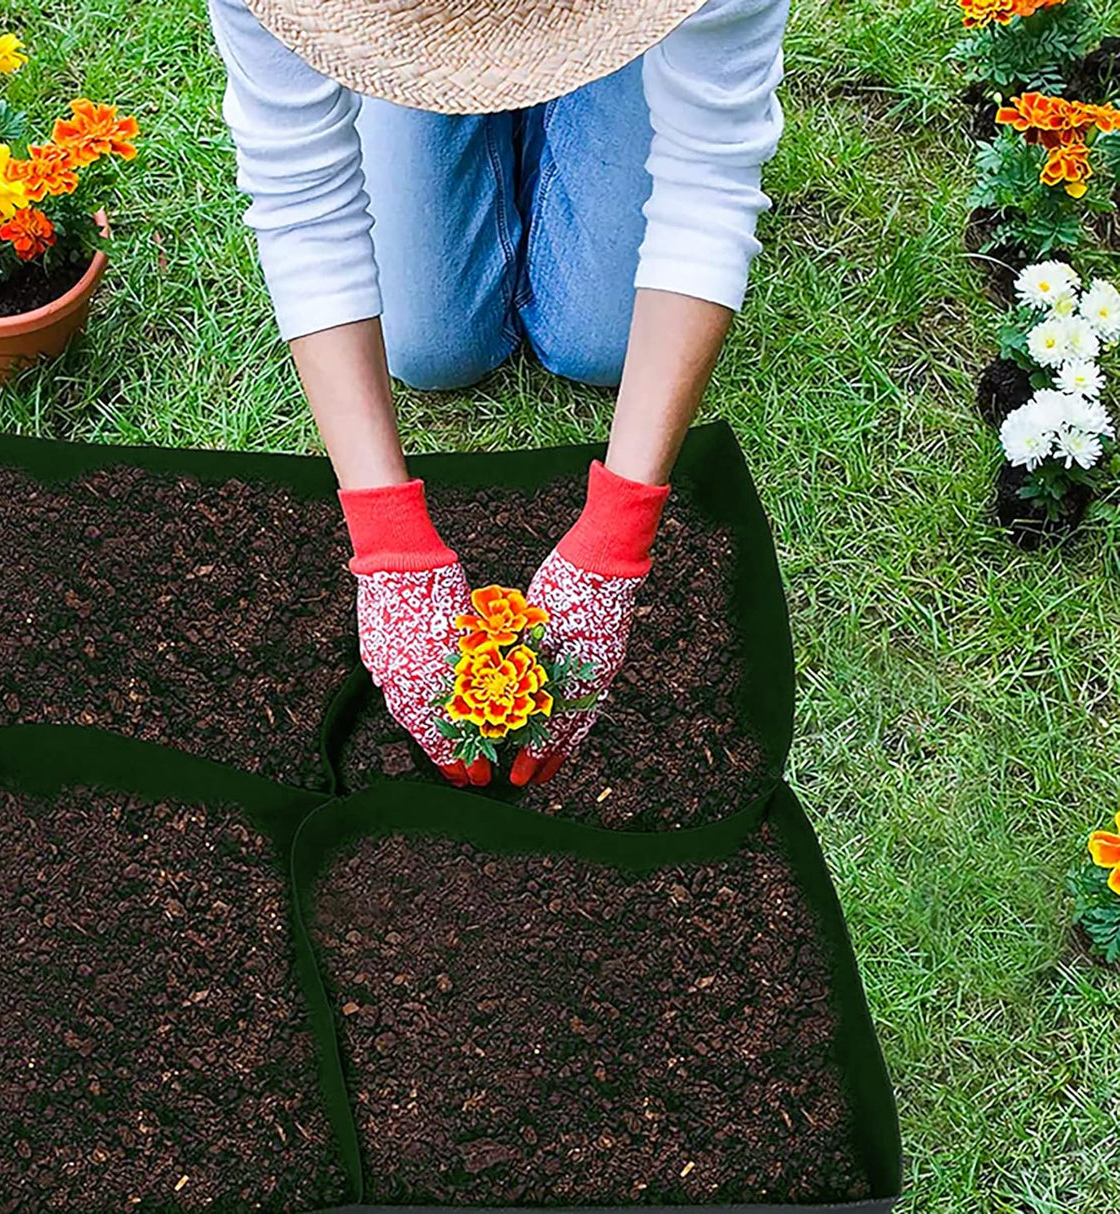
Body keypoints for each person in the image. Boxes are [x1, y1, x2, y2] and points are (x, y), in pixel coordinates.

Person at [206, 0, 790, 789]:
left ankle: (590, 81)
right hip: (405, 27)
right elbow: (301, 196)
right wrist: (390, 546)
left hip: (623, 23)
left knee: (599, 342)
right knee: (431, 346)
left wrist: (618, 537)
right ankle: (438, 92)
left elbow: (710, 179)